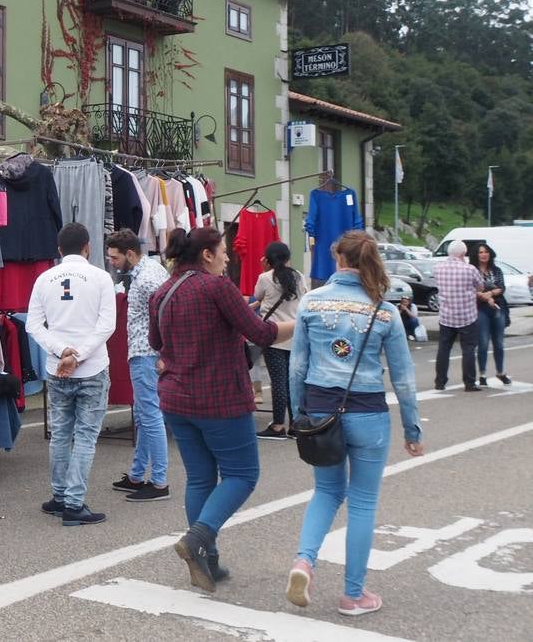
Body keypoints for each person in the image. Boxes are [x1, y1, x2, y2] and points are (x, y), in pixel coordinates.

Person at [149, 227, 295, 592]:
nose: (229, 258)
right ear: (207, 255)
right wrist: (302, 323)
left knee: (200, 478)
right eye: (224, 252)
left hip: (176, 399)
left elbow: (156, 341)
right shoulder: (217, 287)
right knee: (242, 475)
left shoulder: (163, 292)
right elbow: (262, 334)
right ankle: (198, 538)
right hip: (220, 399)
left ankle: (208, 562)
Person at [287, 230, 424, 617]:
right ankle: (353, 594)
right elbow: (403, 378)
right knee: (363, 502)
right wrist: (413, 430)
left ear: (338, 259)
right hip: (367, 414)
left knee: (326, 493)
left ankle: (304, 562)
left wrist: (299, 415)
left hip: (321, 413)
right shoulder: (385, 309)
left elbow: (297, 367)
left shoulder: (311, 303)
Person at [28, 222, 117, 527]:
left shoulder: (44, 279)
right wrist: (78, 354)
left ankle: (59, 496)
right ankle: (74, 504)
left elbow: (34, 326)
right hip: (92, 367)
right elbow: (107, 326)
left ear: (58, 250)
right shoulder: (102, 278)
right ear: (87, 247)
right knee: (85, 437)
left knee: (61, 434)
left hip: (58, 368)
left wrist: (62, 351)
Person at [105, 229, 171, 502]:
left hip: (146, 354)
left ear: (130, 254)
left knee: (150, 416)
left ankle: (159, 482)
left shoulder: (146, 279)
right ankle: (136, 475)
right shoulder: (149, 271)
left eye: (115, 257)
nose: (112, 262)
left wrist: (164, 353)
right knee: (145, 416)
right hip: (146, 352)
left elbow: (166, 314)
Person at [249, 241, 306, 440]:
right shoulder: (298, 276)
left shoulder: (265, 277)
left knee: (278, 382)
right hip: (294, 334)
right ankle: (296, 424)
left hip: (273, 335)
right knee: (293, 381)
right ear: (288, 257)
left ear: (268, 259)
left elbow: (257, 297)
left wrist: (265, 269)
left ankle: (278, 426)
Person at [432, 240, 484, 391]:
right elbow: (480, 285)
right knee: (468, 349)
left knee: (443, 349)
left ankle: (440, 382)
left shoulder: (438, 268)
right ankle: (469, 383)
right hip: (467, 315)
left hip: (446, 315)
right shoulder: (470, 269)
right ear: (463, 254)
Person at [473, 243, 510, 385]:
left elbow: (502, 287)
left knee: (499, 342)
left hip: (497, 307)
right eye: (481, 252)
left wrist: (490, 293)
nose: (483, 254)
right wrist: (484, 296)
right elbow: (470, 289)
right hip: (481, 309)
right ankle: (482, 374)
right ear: (476, 255)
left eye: (486, 252)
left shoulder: (496, 270)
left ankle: (500, 372)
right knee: (482, 342)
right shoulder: (473, 270)